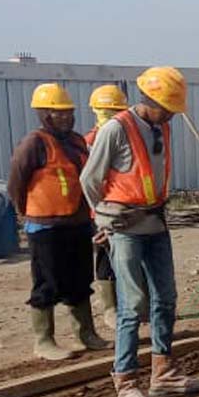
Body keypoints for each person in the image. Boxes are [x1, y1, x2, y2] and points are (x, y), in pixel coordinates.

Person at [80, 66, 199, 397]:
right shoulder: (116, 129)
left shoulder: (161, 126)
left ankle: (163, 372)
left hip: (155, 222)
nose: (172, 115)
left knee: (165, 298)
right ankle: (126, 382)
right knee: (131, 305)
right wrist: (103, 219)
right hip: (126, 227)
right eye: (168, 108)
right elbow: (89, 179)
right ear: (151, 100)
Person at [7, 83, 110, 361]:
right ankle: (44, 340)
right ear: (44, 114)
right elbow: (16, 181)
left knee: (80, 279)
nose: (65, 117)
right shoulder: (34, 143)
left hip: (78, 223)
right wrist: (25, 211)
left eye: (68, 112)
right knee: (47, 282)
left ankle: (85, 334)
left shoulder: (76, 142)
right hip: (45, 226)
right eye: (58, 113)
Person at [85, 84, 131, 331]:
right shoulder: (89, 142)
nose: (109, 117)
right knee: (106, 258)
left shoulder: (128, 138)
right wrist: (98, 215)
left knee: (127, 258)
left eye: (114, 112)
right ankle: (110, 308)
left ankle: (130, 305)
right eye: (105, 112)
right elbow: (87, 181)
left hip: (125, 209)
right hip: (100, 211)